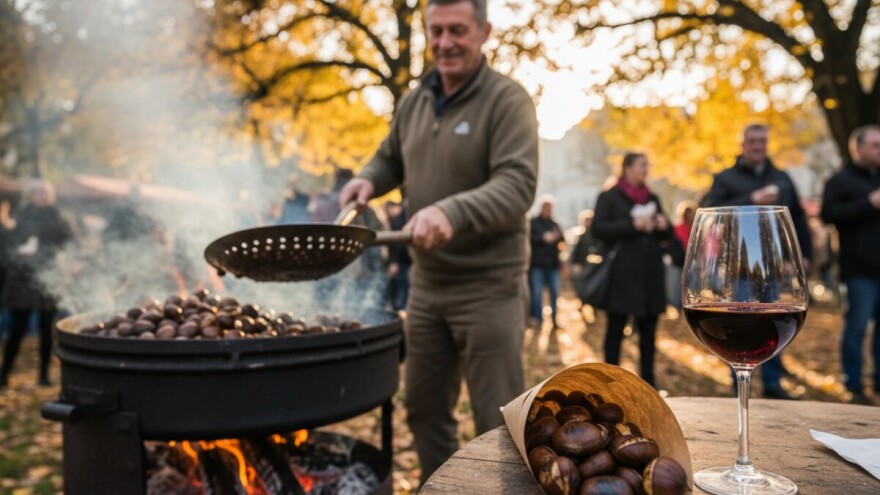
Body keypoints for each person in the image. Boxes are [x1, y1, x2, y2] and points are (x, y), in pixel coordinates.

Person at [338, 0, 538, 484]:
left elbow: (517, 185)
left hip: (490, 286)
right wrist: (368, 180)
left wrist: (452, 211)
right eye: (436, 31)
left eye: (458, 30)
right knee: (424, 412)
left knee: (499, 423)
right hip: (427, 287)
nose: (445, 42)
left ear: (484, 31)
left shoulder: (507, 101)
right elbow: (390, 158)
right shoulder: (414, 101)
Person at [703, 123, 813, 400]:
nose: (757, 145)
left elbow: (797, 218)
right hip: (738, 268)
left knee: (773, 327)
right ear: (742, 144)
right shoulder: (726, 178)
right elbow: (709, 209)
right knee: (738, 328)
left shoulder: (782, 177)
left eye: (762, 140)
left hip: (773, 268)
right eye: (752, 141)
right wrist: (750, 199)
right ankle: (738, 385)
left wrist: (803, 255)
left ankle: (773, 385)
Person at [591, 152, 670, 388]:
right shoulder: (609, 197)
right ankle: (610, 383)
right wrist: (632, 225)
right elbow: (598, 229)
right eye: (642, 165)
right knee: (615, 329)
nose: (647, 169)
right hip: (622, 277)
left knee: (649, 333)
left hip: (650, 277)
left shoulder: (652, 197)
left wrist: (662, 226)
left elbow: (667, 236)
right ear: (627, 168)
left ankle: (649, 384)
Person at [820, 125, 880, 406]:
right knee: (857, 326)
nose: (879, 150)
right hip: (859, 271)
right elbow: (828, 214)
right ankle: (853, 385)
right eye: (875, 145)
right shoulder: (840, 180)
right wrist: (869, 203)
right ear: (858, 148)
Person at [0, 181, 73, 388]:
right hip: (22, 279)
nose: (42, 196)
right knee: (16, 330)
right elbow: (8, 243)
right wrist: (20, 251)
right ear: (31, 195)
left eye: (45, 193)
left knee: (46, 330)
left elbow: (69, 242)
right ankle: (4, 373)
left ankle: (43, 375)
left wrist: (65, 258)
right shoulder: (22, 215)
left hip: (48, 277)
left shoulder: (58, 217)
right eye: (38, 193)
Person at [528, 195, 563, 328]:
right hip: (537, 264)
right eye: (546, 207)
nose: (548, 210)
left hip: (553, 264)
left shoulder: (555, 224)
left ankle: (554, 319)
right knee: (537, 292)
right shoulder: (533, 223)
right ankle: (537, 318)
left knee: (554, 291)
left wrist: (557, 237)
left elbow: (562, 242)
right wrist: (543, 238)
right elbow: (530, 239)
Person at [664, 200, 696, 310]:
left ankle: (681, 307)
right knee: (676, 287)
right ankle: (677, 307)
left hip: (689, 263)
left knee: (686, 287)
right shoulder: (678, 228)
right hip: (678, 262)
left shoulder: (694, 228)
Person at [569, 209, 600, 320]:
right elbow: (576, 252)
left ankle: (594, 307)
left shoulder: (598, 235)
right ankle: (583, 303)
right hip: (584, 266)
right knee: (582, 287)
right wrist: (576, 263)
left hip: (595, 267)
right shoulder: (581, 236)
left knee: (594, 288)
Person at [385, 201, 411, 312]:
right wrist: (393, 261)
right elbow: (394, 241)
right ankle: (398, 307)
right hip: (402, 259)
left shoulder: (406, 213)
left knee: (405, 284)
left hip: (409, 259)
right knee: (401, 283)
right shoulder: (401, 216)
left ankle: (402, 307)